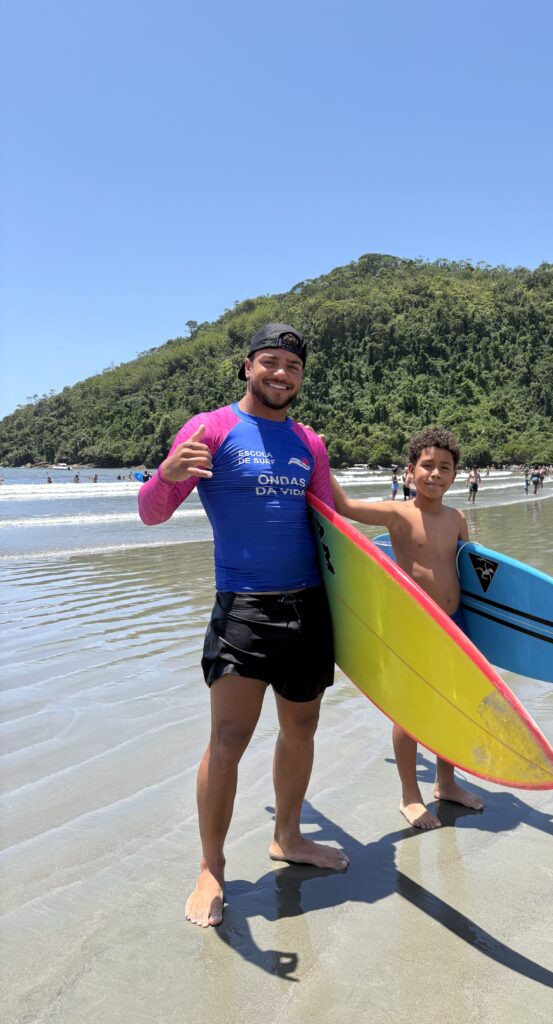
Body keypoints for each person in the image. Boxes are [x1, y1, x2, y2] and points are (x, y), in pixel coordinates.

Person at [137, 322, 348, 929]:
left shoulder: (310, 442)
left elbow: (331, 525)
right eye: (271, 362)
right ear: (248, 366)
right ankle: (211, 866)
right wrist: (168, 474)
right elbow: (151, 515)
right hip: (244, 609)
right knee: (228, 740)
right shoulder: (211, 428)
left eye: (293, 366)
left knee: (301, 727)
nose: (282, 374)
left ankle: (288, 836)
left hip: (308, 608)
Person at [330, 427, 483, 829]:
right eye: (427, 466)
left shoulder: (458, 518)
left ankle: (445, 783)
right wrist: (317, 453)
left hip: (457, 623)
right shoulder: (398, 513)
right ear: (410, 471)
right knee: (411, 711)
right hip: (416, 625)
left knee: (455, 704)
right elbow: (343, 506)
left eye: (444, 468)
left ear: (455, 475)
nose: (435, 474)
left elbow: (470, 572)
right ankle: (409, 795)